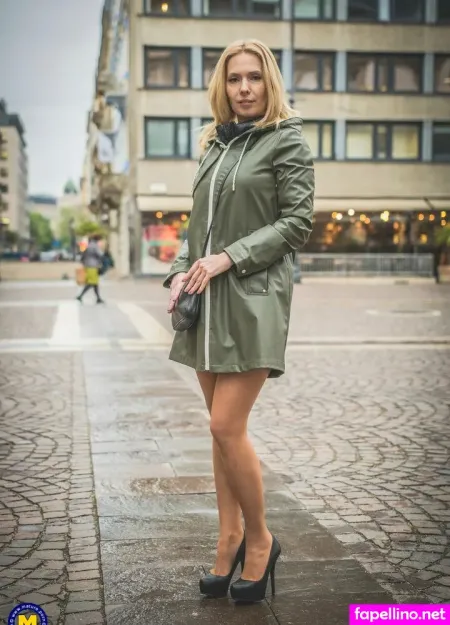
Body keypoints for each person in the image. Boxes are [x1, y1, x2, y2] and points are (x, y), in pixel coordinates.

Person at [163, 39, 314, 603]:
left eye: (253, 77)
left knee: (226, 426)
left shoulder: (286, 140)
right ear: (221, 87)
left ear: (268, 81)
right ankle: (228, 539)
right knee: (220, 433)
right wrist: (180, 271)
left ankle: (261, 540)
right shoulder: (214, 144)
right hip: (203, 302)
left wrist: (229, 257)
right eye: (234, 79)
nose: (244, 88)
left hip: (253, 300)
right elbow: (196, 228)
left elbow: (297, 223)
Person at [76, 234, 105, 304]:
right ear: (97, 240)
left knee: (95, 283)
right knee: (91, 282)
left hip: (88, 265)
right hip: (93, 266)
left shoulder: (88, 245)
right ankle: (80, 295)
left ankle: (98, 298)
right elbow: (100, 254)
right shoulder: (94, 246)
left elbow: (82, 256)